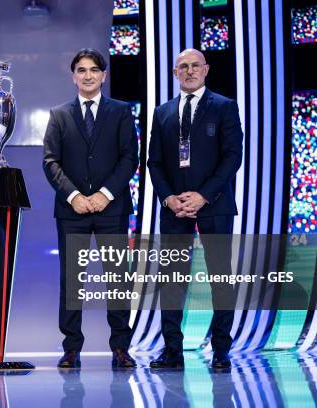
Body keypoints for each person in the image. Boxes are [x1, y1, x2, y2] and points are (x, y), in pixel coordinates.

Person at [147, 48, 243, 369]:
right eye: (182, 67)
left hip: (214, 205)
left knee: (220, 278)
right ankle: (172, 350)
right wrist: (168, 198)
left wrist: (203, 196)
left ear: (206, 69)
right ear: (175, 73)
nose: (189, 71)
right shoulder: (162, 113)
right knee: (172, 279)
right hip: (174, 208)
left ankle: (221, 350)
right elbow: (155, 162)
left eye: (195, 66)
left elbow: (232, 157)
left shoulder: (225, 107)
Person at [43, 48, 139, 369]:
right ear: (74, 76)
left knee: (117, 279)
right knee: (73, 282)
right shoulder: (59, 115)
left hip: (111, 208)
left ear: (103, 75)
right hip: (72, 211)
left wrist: (105, 194)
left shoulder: (121, 111)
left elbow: (129, 158)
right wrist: (75, 196)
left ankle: (120, 348)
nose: (88, 75)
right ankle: (71, 348)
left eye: (94, 70)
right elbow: (50, 161)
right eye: (81, 70)